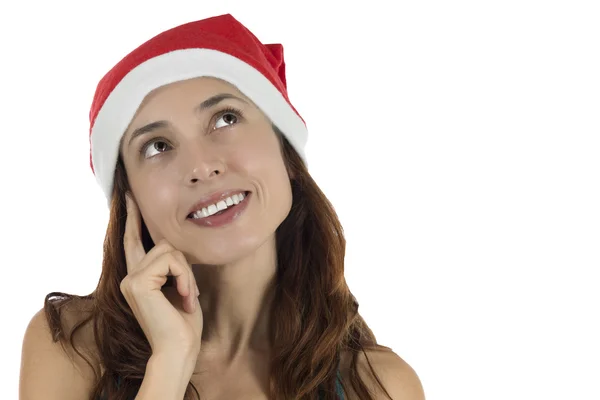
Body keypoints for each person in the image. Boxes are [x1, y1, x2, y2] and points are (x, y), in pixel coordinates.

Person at [19, 13, 425, 400]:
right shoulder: (70, 345)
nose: (201, 166)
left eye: (225, 119)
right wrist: (170, 362)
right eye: (157, 146)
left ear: (286, 154)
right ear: (130, 200)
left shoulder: (377, 386)